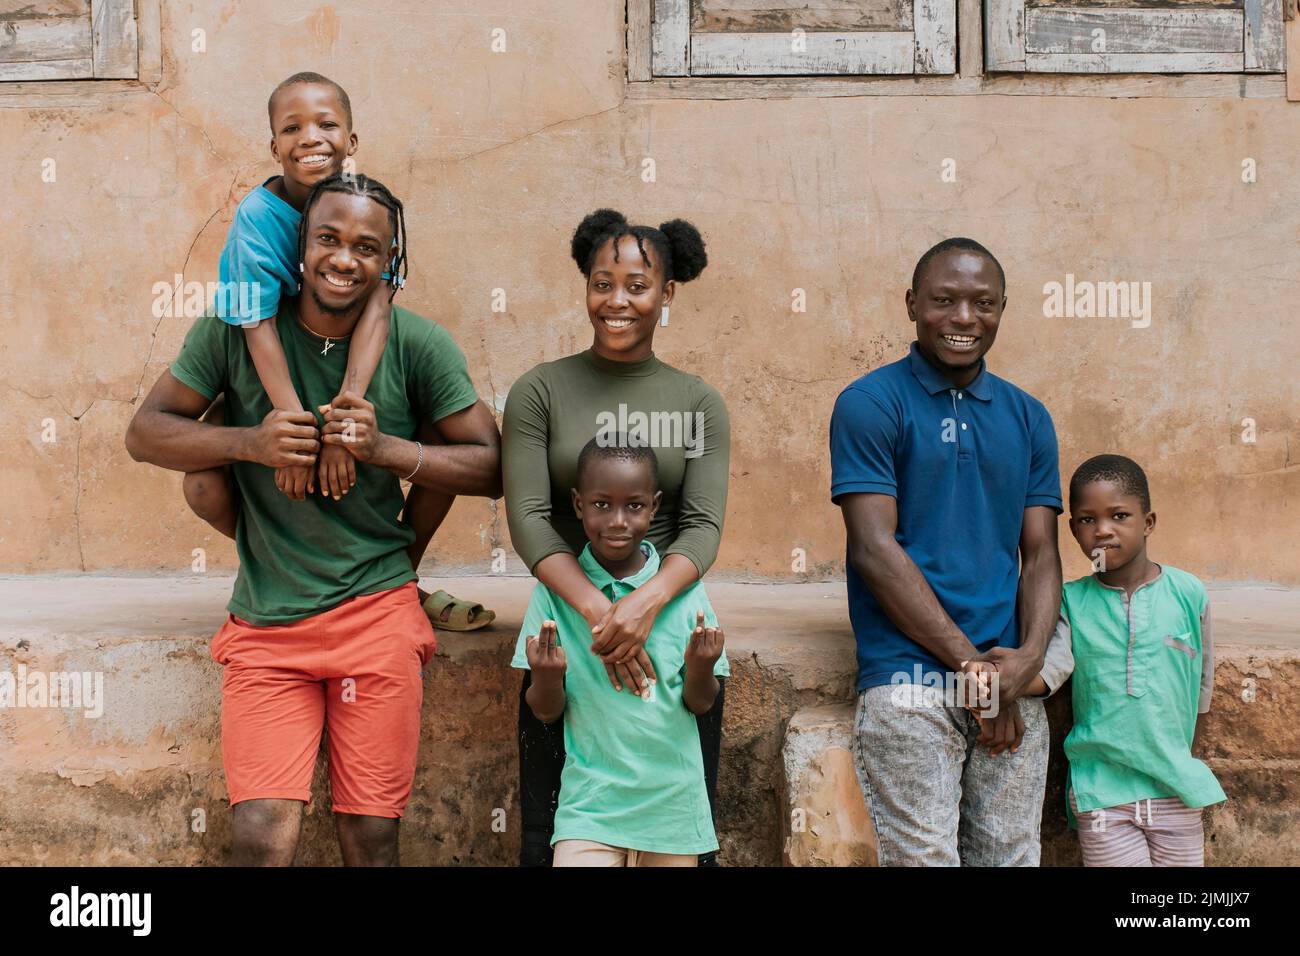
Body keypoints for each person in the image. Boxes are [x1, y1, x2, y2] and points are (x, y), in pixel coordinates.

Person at [125, 174, 502, 865]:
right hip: (269, 622)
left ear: (389, 262)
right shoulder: (235, 329)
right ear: (300, 247)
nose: (342, 258)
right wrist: (251, 441)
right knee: (261, 838)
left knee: (371, 839)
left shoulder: (418, 344)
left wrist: (387, 449)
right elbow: (145, 433)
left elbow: (492, 465)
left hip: (378, 615)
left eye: (366, 246)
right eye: (327, 238)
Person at [189, 70, 489, 628]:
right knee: (216, 438)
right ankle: (292, 567)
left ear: (351, 141)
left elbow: (378, 305)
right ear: (273, 143)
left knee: (429, 427)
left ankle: (397, 576)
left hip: (343, 378)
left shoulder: (369, 207)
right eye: (293, 127)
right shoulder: (258, 222)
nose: (311, 138)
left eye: (327, 124)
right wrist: (293, 433)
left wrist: (346, 425)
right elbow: (256, 325)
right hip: (275, 353)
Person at [502, 209, 731, 865]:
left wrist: (643, 605)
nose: (617, 301)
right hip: (570, 628)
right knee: (552, 830)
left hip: (668, 632)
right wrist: (602, 613)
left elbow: (703, 526)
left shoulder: (697, 403)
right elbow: (528, 517)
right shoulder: (540, 391)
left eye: (637, 285)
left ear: (667, 293)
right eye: (602, 283)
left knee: (681, 835)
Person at [830, 237, 1064, 866]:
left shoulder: (1029, 417)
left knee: (1010, 860)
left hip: (1006, 676)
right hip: (909, 680)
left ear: (1002, 309)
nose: (965, 318)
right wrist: (971, 671)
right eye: (945, 300)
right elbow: (875, 550)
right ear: (911, 305)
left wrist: (1026, 661)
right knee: (924, 860)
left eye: (983, 303)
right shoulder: (870, 404)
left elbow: (1040, 553)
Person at [513, 438, 723, 867]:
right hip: (590, 807)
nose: (619, 521)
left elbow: (701, 704)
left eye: (635, 506)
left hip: (672, 809)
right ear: (578, 504)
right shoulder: (554, 596)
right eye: (602, 505)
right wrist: (547, 676)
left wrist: (700, 668)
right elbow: (545, 712)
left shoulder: (685, 594)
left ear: (656, 506)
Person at [1059, 454, 1226, 866]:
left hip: (1175, 786)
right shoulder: (1071, 600)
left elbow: (1202, 680)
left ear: (1148, 522)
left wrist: (1183, 754)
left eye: (1119, 515)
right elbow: (1050, 667)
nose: (1102, 531)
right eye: (1086, 520)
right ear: (1073, 529)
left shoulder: (1188, 592)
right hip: (1101, 792)